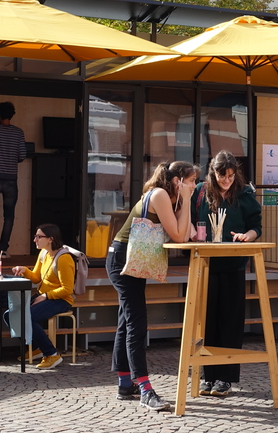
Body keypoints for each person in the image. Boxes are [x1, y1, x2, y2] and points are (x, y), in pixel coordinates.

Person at [107, 161, 198, 411]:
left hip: (129, 258)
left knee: (127, 322)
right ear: (178, 181)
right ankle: (145, 389)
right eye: (190, 181)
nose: (194, 185)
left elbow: (187, 232)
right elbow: (180, 236)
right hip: (122, 259)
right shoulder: (158, 194)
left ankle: (126, 384)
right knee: (137, 322)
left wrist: (185, 201)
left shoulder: (169, 198)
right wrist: (187, 200)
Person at [191, 151, 262, 397]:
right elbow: (188, 220)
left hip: (233, 264)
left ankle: (225, 377)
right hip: (206, 265)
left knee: (230, 323)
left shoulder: (243, 193)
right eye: (223, 176)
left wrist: (247, 237)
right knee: (206, 321)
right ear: (213, 173)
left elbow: (255, 226)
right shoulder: (200, 191)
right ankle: (206, 375)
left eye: (231, 176)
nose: (227, 180)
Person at [10, 223, 75, 370]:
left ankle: (52, 354)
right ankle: (37, 348)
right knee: (10, 314)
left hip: (61, 300)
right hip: (43, 295)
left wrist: (46, 296)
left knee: (26, 317)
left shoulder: (64, 258)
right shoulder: (44, 253)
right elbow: (37, 278)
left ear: (50, 239)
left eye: (39, 237)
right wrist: (25, 270)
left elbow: (67, 289)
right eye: (35, 236)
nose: (35, 240)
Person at [0, 101, 27, 258]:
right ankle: (3, 250)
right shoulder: (18, 132)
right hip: (11, 179)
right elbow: (22, 155)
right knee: (9, 215)